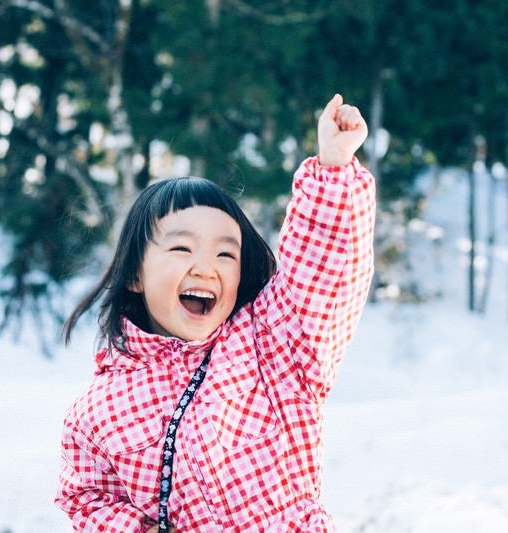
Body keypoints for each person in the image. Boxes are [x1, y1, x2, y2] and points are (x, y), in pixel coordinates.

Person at [56, 93, 376, 532]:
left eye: (226, 254)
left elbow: (323, 274)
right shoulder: (101, 409)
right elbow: (86, 496)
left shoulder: (274, 345)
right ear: (135, 275)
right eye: (182, 247)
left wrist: (334, 170)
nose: (205, 267)